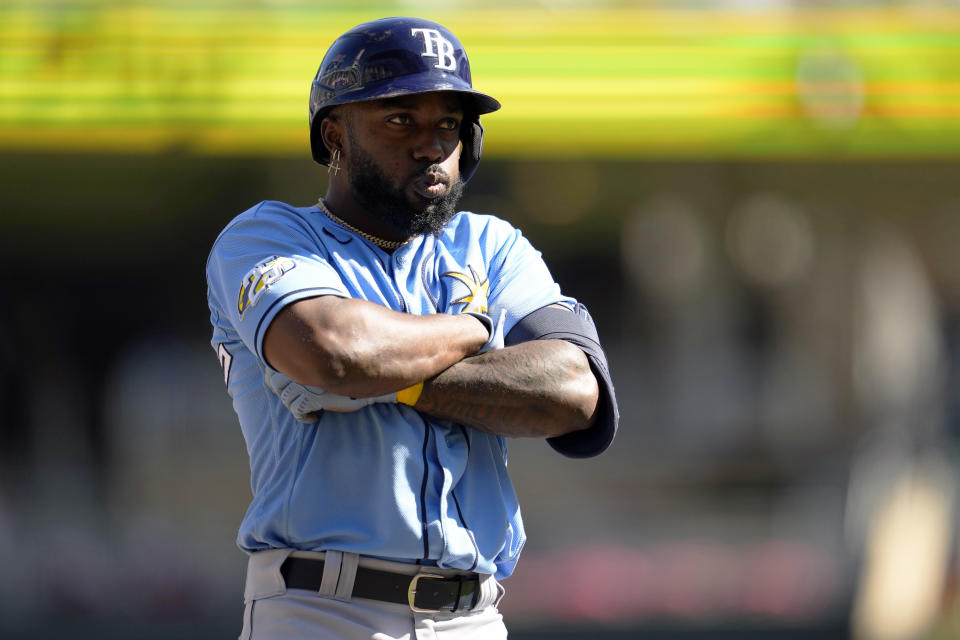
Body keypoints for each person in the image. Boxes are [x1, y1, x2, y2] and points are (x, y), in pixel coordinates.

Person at [205, 16, 618, 640]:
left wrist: (388, 378)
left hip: (474, 615)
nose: (430, 145)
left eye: (447, 124)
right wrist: (476, 331)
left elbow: (574, 391)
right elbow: (337, 353)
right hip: (320, 607)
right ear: (334, 134)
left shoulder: (493, 245)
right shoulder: (267, 236)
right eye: (401, 120)